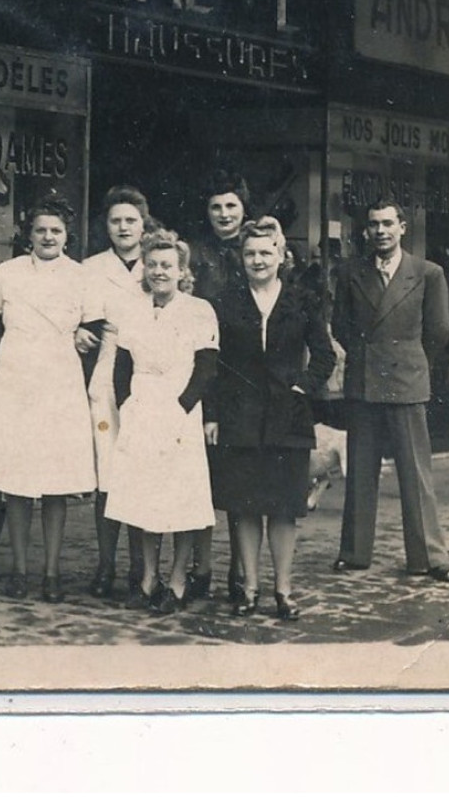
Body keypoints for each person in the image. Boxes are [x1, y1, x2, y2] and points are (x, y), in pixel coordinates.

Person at [203, 217, 336, 620]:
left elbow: (325, 355)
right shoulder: (227, 301)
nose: (257, 260)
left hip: (287, 417)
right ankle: (249, 589)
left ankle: (284, 591)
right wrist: (211, 415)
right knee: (243, 507)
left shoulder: (302, 300)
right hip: (239, 416)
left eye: (265, 252)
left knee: (283, 507)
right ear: (240, 258)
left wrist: (302, 387)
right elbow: (214, 363)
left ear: (281, 255)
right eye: (250, 253)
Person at [331, 198, 449, 583]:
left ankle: (428, 557)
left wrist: (411, 362)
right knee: (360, 471)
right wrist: (368, 358)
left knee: (415, 474)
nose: (381, 231)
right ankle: (354, 552)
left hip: (407, 381)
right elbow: (341, 325)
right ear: (366, 230)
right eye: (374, 225)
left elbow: (438, 331)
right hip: (364, 382)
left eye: (388, 223)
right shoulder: (353, 271)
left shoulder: (427, 272)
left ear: (403, 227)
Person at [0, 197, 100, 602]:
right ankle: (19, 568)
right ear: (28, 235)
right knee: (17, 482)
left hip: (59, 380)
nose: (48, 237)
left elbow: (93, 326)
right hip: (16, 378)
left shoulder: (81, 276)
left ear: (67, 237)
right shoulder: (7, 273)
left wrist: (81, 335)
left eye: (56, 231)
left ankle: (51, 572)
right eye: (40, 230)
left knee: (56, 482)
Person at [104, 230, 219, 615]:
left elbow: (206, 368)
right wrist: (128, 404)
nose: (158, 271)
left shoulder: (198, 310)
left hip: (179, 410)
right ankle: (148, 578)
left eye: (167, 265)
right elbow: (121, 367)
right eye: (152, 264)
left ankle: (178, 580)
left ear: (181, 269)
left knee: (181, 499)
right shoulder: (132, 310)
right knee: (143, 498)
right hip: (141, 410)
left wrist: (181, 407)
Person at [77, 185, 156, 601]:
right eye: (115, 220)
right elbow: (77, 317)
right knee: (107, 472)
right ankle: (105, 564)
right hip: (107, 374)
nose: (123, 227)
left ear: (144, 225)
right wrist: (78, 331)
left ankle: (140, 568)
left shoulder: (158, 263)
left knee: (141, 471)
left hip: (147, 374)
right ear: (105, 226)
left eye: (131, 220)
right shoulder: (91, 268)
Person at [188, 170, 252, 603]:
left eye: (231, 206)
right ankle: (202, 566)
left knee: (240, 477)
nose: (223, 214)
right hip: (202, 370)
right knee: (200, 477)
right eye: (216, 207)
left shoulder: (258, 250)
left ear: (244, 208)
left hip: (243, 375)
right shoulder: (195, 254)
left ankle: (240, 568)